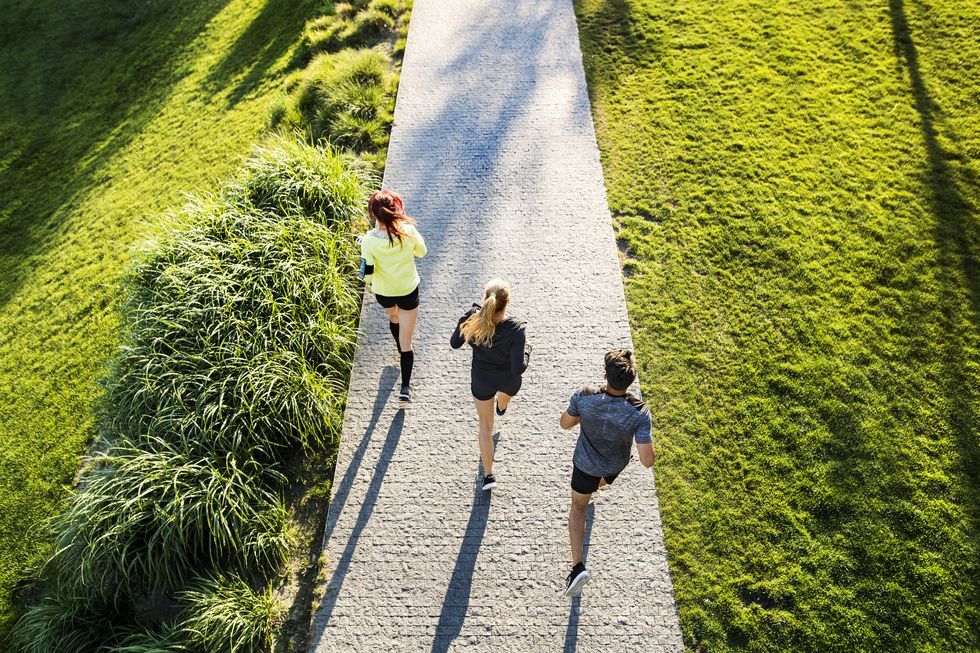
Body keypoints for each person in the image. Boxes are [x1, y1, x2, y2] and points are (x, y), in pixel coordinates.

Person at [558, 349, 655, 597]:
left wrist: (582, 413)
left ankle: (577, 567)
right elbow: (647, 461)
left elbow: (565, 423)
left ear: (605, 376)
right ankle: (593, 489)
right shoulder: (640, 412)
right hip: (613, 466)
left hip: (584, 465)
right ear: (631, 381)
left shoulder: (585, 395)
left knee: (578, 507)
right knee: (597, 485)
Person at [451, 279, 529, 491]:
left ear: (486, 299)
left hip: (482, 380)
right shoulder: (516, 328)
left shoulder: (473, 319)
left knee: (485, 427)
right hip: (507, 380)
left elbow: (454, 343)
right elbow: (517, 368)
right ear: (507, 304)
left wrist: (466, 316)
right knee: (505, 397)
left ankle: (488, 475)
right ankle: (502, 407)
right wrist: (527, 353)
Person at [360, 189, 427, 401]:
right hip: (407, 290)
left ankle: (398, 345)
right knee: (408, 343)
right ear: (395, 209)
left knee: (393, 317)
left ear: (373, 214)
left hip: (384, 293)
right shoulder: (407, 231)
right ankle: (405, 388)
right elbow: (422, 252)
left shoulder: (368, 241)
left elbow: (367, 273)